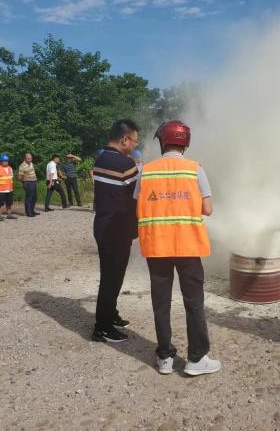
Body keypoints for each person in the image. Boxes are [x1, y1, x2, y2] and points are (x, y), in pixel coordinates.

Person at [135, 120, 221, 376]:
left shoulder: (146, 171)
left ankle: (164, 357)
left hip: (157, 246)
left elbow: (137, 204)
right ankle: (196, 359)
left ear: (162, 141)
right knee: (193, 302)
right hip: (187, 246)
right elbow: (207, 209)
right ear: (186, 142)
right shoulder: (195, 169)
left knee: (161, 303)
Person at [91, 119, 140, 342]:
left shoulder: (101, 158)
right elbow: (137, 194)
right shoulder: (124, 164)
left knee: (109, 275)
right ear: (124, 139)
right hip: (117, 230)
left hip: (102, 226)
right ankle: (102, 327)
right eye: (134, 141)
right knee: (112, 278)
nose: (134, 146)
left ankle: (110, 313)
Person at [0, 154, 17, 221]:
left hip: (9, 189)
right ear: (1, 161)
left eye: (7, 161)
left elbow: (10, 178)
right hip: (1, 190)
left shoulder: (10, 168)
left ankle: (9, 214)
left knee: (9, 203)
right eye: (4, 161)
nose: (6, 162)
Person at [18, 152, 39, 217]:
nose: (30, 160)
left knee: (34, 197)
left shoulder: (31, 163)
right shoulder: (22, 166)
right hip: (28, 182)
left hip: (34, 181)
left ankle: (32, 210)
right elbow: (19, 177)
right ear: (25, 158)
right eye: (28, 159)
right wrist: (24, 182)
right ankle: (28, 212)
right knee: (29, 198)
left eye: (30, 158)